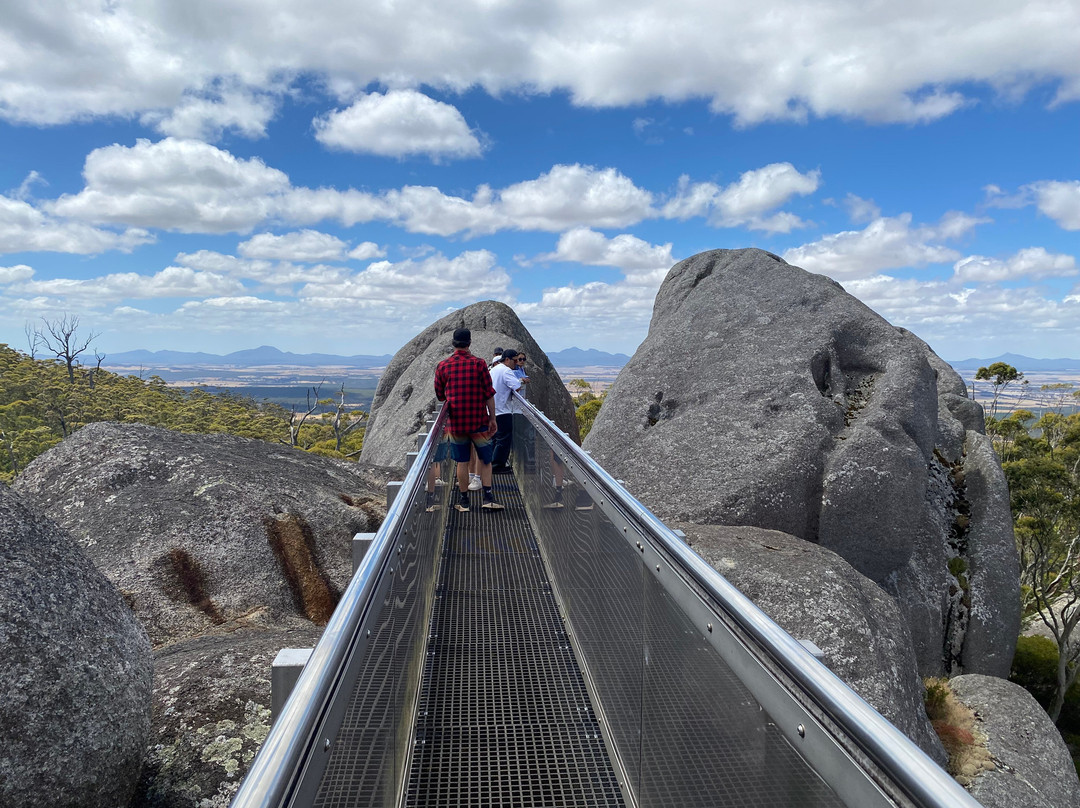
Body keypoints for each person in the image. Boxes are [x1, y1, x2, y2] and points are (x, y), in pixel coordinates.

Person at [434, 328, 503, 511]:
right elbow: (489, 394)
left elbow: (440, 396)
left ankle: (464, 502)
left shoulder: (443, 366)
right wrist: (493, 419)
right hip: (479, 421)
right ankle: (487, 499)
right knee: (486, 460)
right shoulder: (479, 364)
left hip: (456, 424)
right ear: (469, 343)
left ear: (453, 343)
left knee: (462, 462)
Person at [490, 348, 527, 474]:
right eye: (515, 360)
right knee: (503, 439)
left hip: (491, 409)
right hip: (502, 409)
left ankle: (491, 462)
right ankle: (497, 465)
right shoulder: (506, 371)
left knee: (494, 438)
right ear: (507, 359)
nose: (516, 363)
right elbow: (517, 387)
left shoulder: (494, 370)